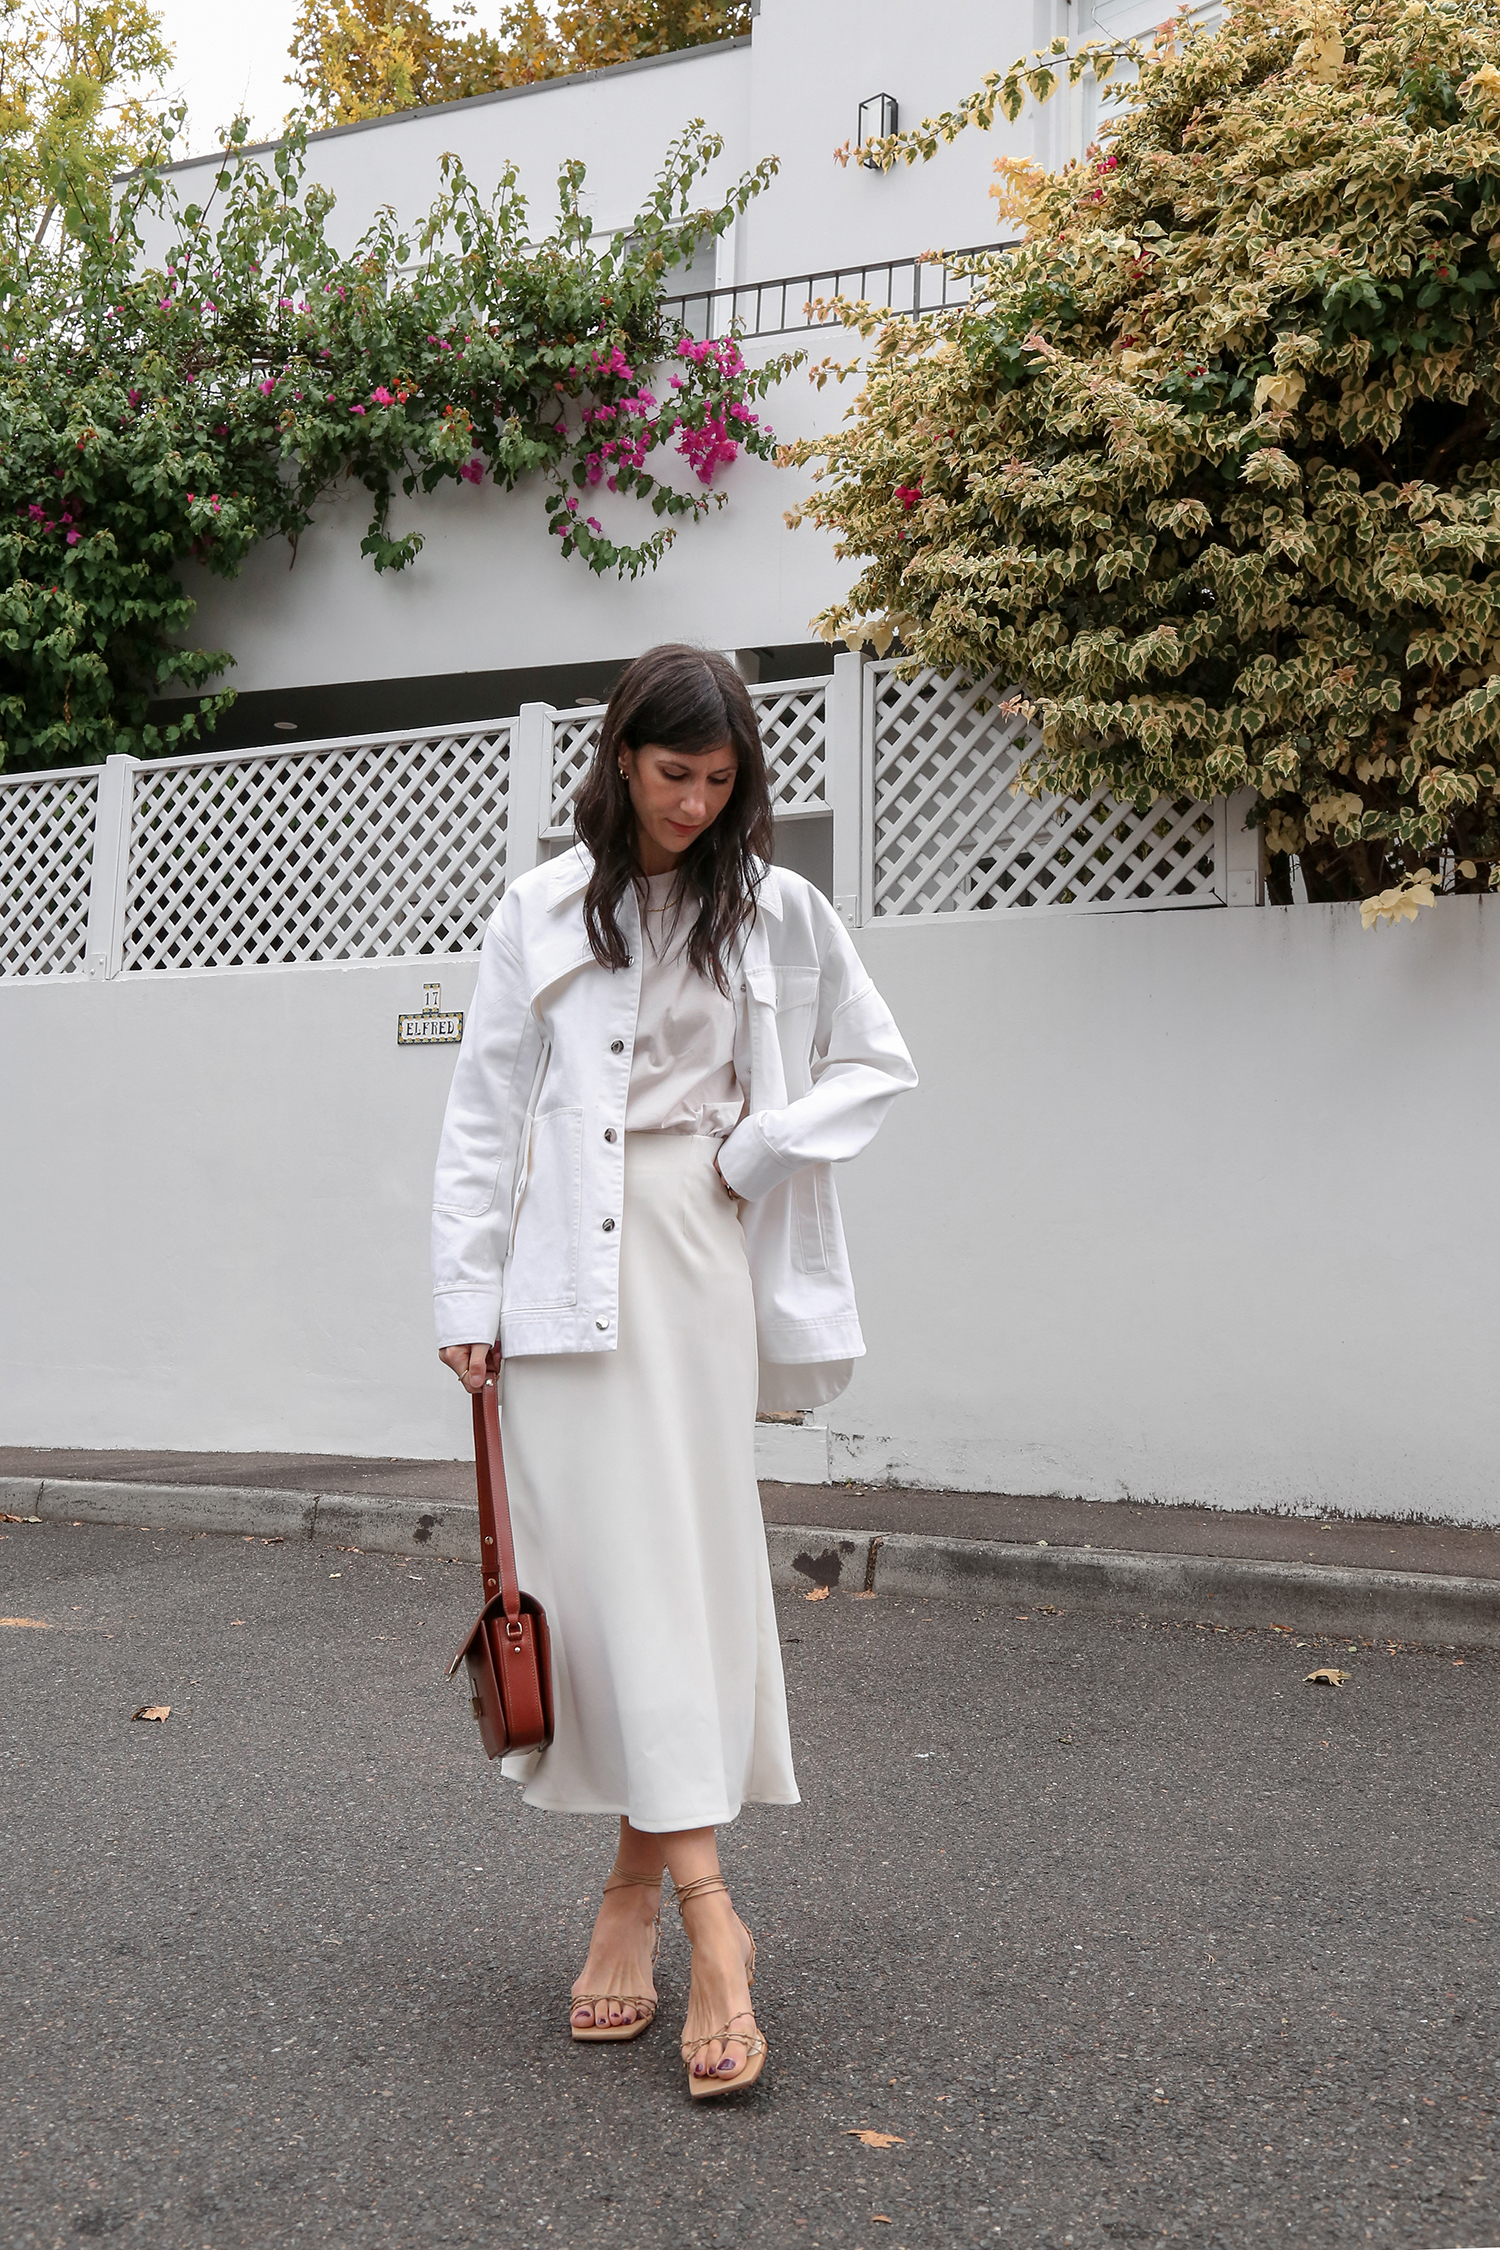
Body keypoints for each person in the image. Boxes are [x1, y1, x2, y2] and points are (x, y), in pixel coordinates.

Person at [431, 643, 915, 2098]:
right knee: (613, 1587)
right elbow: (483, 1111)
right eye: (671, 772)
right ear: (620, 757)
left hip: (694, 1260)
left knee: (674, 1572)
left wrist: (753, 1150)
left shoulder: (777, 908)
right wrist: (464, 1292)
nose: (696, 801)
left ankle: (678, 1909)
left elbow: (877, 1060)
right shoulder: (534, 911)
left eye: (720, 778)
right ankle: (671, 1906)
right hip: (557, 1278)